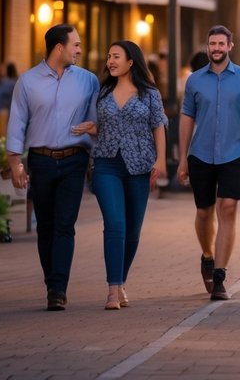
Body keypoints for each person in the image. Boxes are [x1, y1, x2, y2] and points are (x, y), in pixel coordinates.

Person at [7, 24, 100, 310]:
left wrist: (94, 143)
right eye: (76, 45)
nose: (80, 50)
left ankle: (58, 289)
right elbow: (17, 121)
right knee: (45, 227)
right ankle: (52, 282)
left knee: (64, 226)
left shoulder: (88, 81)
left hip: (74, 160)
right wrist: (15, 163)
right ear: (59, 48)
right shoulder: (27, 81)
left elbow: (98, 120)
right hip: (41, 161)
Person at [73, 41, 167, 310]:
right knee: (115, 224)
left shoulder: (149, 93)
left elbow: (158, 125)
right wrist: (93, 129)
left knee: (133, 231)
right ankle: (113, 290)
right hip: (106, 164)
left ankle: (121, 280)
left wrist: (160, 159)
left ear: (130, 62)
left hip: (139, 166)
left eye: (116, 56)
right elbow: (104, 127)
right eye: (108, 56)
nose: (110, 61)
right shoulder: (103, 93)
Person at [176, 25, 240, 302]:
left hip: (235, 152)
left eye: (221, 44)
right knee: (204, 212)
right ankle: (207, 254)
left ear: (230, 46)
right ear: (208, 47)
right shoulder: (194, 81)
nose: (216, 48)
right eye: (212, 44)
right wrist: (181, 159)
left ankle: (220, 277)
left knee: (227, 208)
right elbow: (186, 119)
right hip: (200, 153)